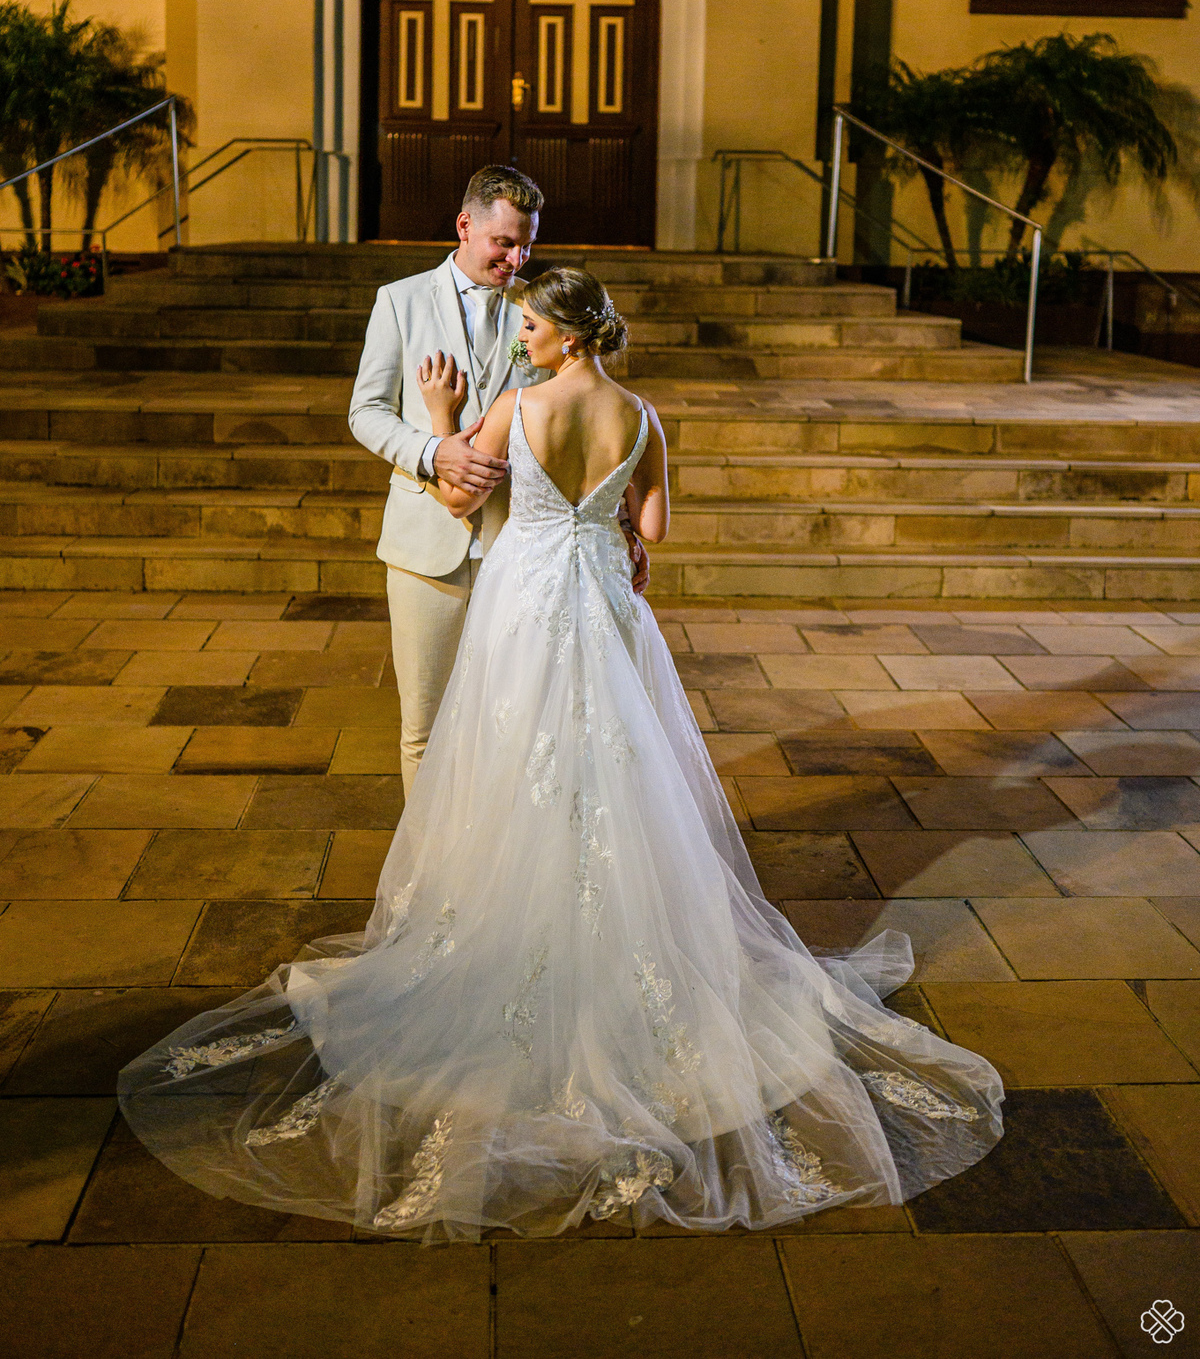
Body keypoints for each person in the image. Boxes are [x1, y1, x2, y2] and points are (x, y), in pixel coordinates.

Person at [118, 267, 1004, 1241]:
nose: (523, 334)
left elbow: (465, 507)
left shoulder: (516, 404)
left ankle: (512, 944)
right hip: (609, 612)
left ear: (567, 335)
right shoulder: (641, 413)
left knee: (516, 771)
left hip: (527, 614)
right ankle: (623, 957)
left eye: (533, 324)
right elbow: (653, 526)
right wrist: (618, 521)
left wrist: (443, 413)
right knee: (620, 774)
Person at [347, 162, 647, 798]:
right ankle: (429, 880)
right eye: (505, 243)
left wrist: (619, 521)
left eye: (528, 245)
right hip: (428, 543)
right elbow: (365, 412)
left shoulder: (537, 313)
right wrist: (433, 451)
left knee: (516, 729)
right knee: (424, 727)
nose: (518, 259)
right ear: (465, 226)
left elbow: (577, 426)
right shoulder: (399, 301)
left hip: (525, 546)